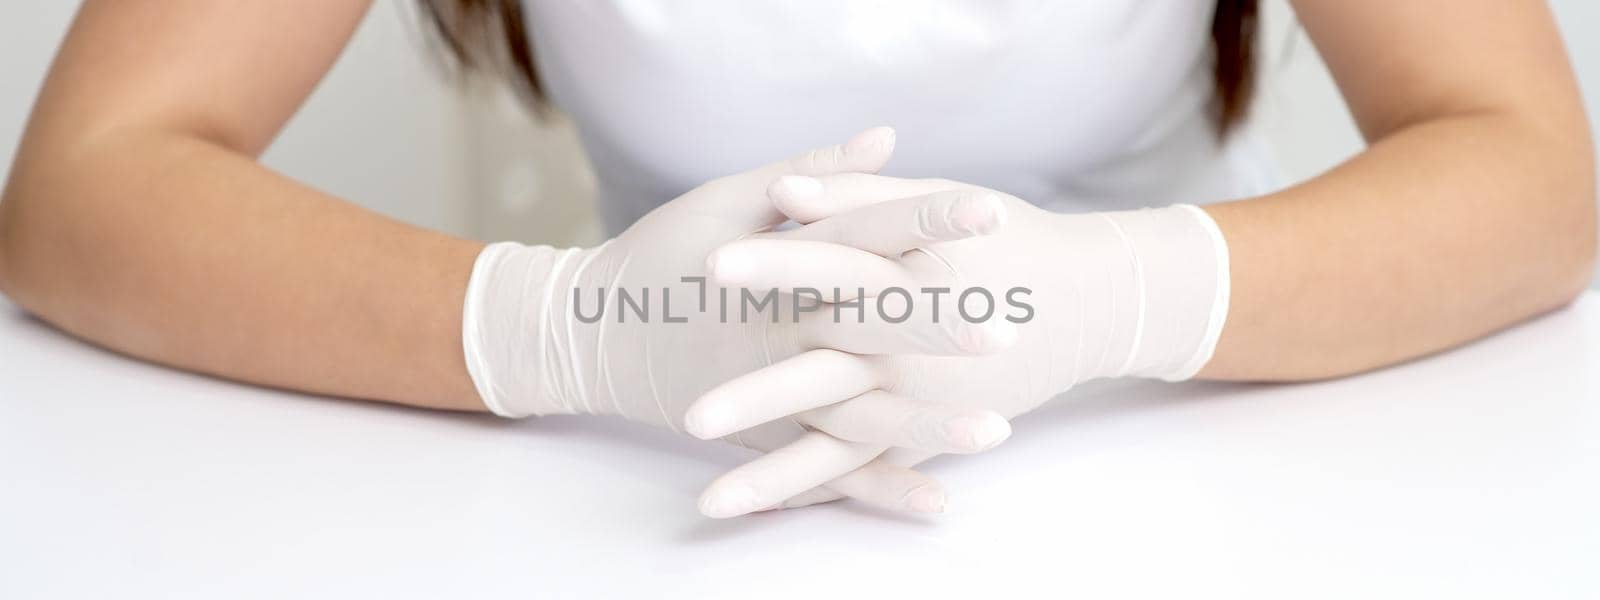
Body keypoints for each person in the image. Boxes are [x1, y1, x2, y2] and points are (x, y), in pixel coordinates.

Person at [0, 0, 1592, 519]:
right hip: (656, 470)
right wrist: (566, 329)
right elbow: (87, 184)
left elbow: (1533, 168)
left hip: (1210, 441)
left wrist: (1125, 294)